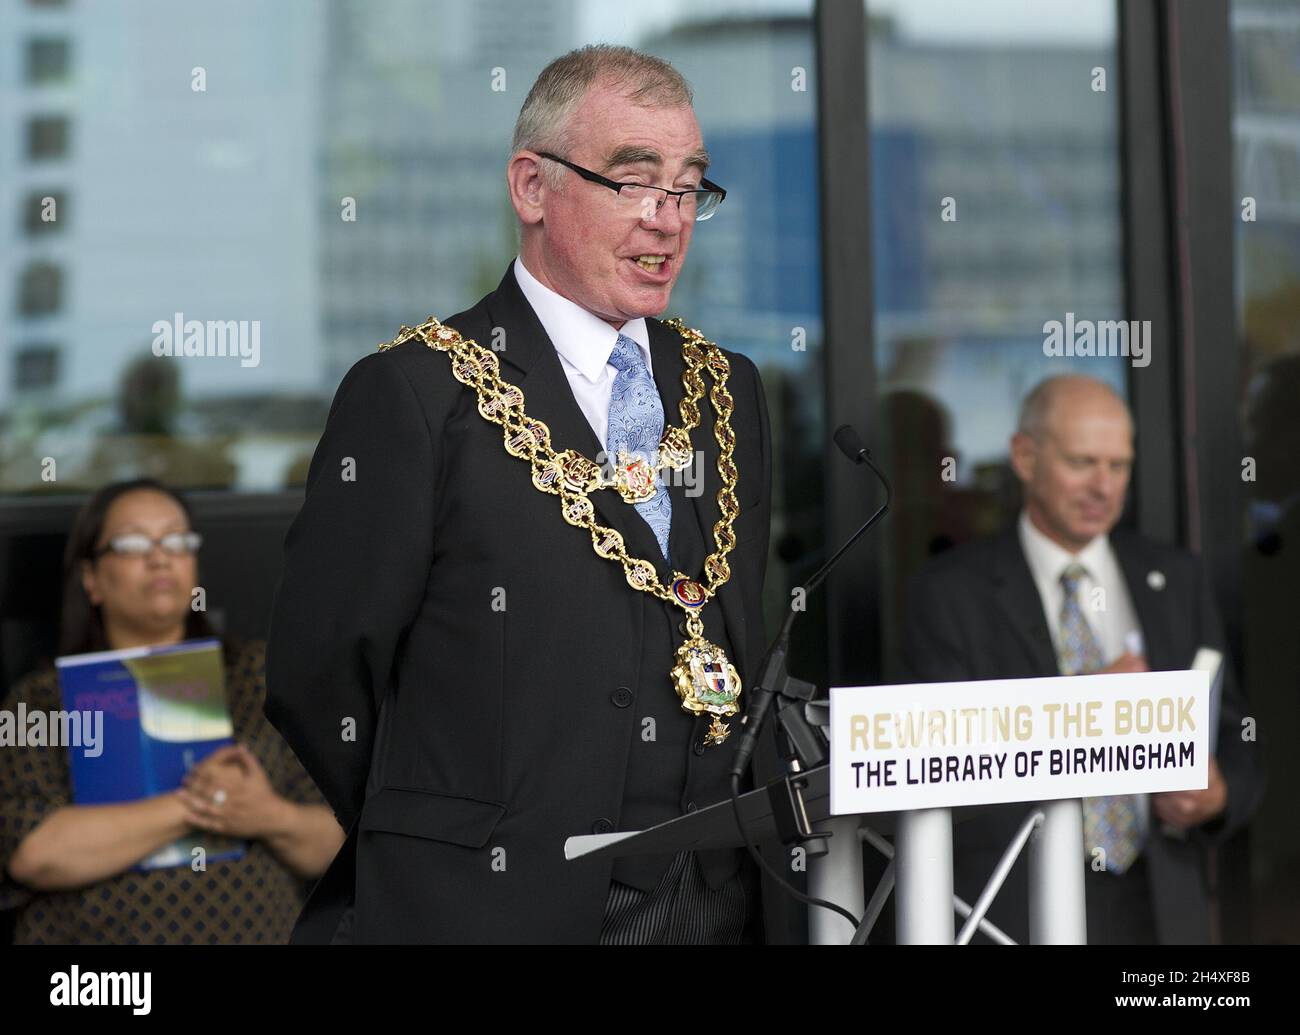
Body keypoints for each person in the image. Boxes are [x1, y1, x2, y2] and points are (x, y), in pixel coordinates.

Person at [264, 44, 788, 945]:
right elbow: (320, 673)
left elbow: (735, 628)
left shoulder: (726, 387)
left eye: (689, 187)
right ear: (533, 188)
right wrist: (444, 834)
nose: (669, 221)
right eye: (633, 181)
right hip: (497, 907)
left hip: (719, 896)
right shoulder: (419, 393)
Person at [902, 375, 1264, 944]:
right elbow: (931, 759)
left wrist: (1216, 798)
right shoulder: (950, 592)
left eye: (1118, 466)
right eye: (1082, 462)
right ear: (1025, 457)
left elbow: (1236, 737)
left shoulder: (1176, 578)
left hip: (1160, 903)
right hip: (1015, 906)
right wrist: (1081, 707)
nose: (1103, 487)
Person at [0, 478, 344, 944]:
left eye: (177, 540)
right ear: (91, 579)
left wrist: (266, 815)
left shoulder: (256, 676)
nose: (160, 556)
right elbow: (34, 853)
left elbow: (332, 844)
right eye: (134, 542)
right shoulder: (41, 701)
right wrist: (202, 803)